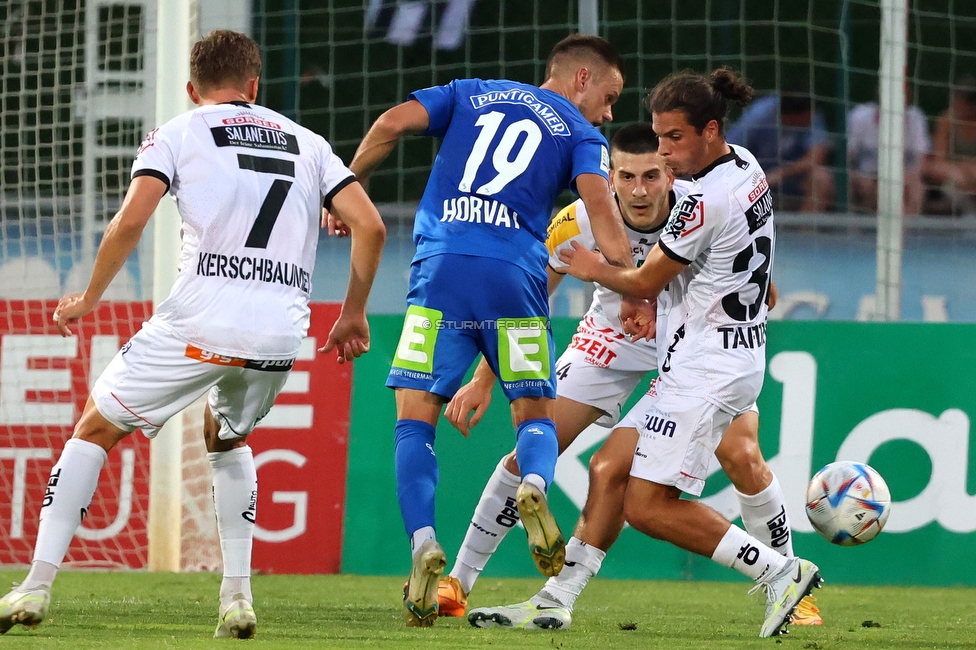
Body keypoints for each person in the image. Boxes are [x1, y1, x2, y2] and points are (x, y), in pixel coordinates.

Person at [0, 30, 386, 639]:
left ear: (190, 87)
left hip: (198, 323)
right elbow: (370, 225)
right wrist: (353, 313)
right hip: (279, 337)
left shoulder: (179, 130)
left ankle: (36, 585)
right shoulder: (309, 143)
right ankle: (237, 597)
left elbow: (132, 217)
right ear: (255, 85)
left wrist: (92, 296)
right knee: (226, 439)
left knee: (95, 428)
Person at [438, 124, 819, 630]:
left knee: (741, 455)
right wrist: (485, 379)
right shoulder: (576, 222)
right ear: (608, 177)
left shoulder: (699, 204)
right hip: (612, 338)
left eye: (652, 175)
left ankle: (794, 589)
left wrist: (753, 286)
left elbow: (751, 269)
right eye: (627, 176)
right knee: (537, 441)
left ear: (671, 173)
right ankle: (459, 583)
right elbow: (529, 304)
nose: (640, 190)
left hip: (690, 342)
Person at [344, 34, 643, 627]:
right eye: (609, 97)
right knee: (535, 414)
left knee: (414, 421)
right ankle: (534, 481)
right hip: (515, 278)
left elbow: (390, 122)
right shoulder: (581, 135)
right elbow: (603, 214)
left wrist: (345, 186)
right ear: (581, 80)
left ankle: (424, 544)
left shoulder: (468, 94)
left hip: (440, 273)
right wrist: (630, 277)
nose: (609, 113)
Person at [557, 68, 822, 638]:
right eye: (659, 138)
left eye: (675, 139)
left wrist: (591, 268)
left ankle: (781, 571)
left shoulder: (700, 199)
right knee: (610, 468)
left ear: (709, 130)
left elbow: (646, 282)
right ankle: (556, 599)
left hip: (704, 368)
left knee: (648, 507)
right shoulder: (747, 165)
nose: (665, 152)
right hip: (734, 354)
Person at [727, 82, 835, 213]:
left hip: (792, 177)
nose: (811, 118)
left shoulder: (812, 114)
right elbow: (729, 149)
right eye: (806, 117)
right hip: (754, 177)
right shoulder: (760, 114)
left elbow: (816, 157)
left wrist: (781, 173)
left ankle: (805, 232)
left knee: (821, 178)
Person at [847, 88, 931, 216]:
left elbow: (921, 164)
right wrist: (857, 177)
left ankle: (906, 233)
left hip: (903, 177)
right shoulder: (859, 117)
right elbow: (846, 161)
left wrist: (901, 180)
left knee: (916, 190)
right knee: (881, 191)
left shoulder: (916, 119)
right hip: (866, 176)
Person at [928, 75, 976, 215]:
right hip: (952, 171)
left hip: (971, 170)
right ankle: (963, 206)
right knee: (938, 170)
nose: (955, 105)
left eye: (959, 103)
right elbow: (939, 158)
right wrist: (960, 169)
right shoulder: (947, 120)